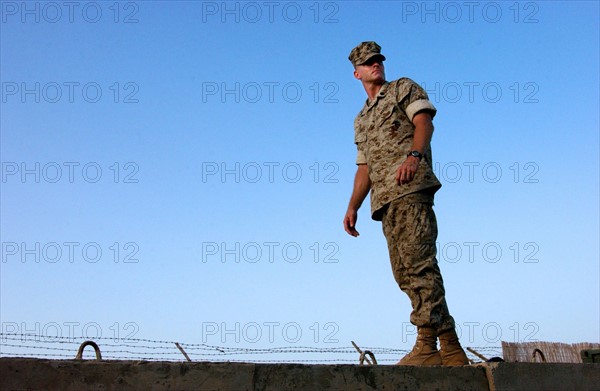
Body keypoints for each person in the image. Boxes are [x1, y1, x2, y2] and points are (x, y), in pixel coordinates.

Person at [343, 41, 469, 366]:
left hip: (411, 188)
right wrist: (352, 206)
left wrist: (415, 155)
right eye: (368, 63)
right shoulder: (361, 119)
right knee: (405, 274)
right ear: (357, 73)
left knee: (420, 264)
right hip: (384, 201)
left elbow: (424, 122)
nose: (376, 65)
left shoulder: (402, 88)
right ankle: (450, 347)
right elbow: (364, 167)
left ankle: (427, 345)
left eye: (378, 60)